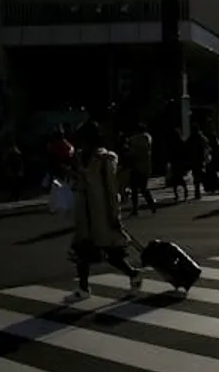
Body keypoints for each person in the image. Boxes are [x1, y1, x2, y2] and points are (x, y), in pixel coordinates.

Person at [65, 121, 142, 303]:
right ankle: (83, 287)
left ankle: (133, 273)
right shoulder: (81, 156)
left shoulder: (105, 159)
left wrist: (115, 216)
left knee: (110, 253)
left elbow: (110, 189)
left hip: (100, 213)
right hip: (85, 212)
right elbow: (82, 181)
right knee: (82, 251)